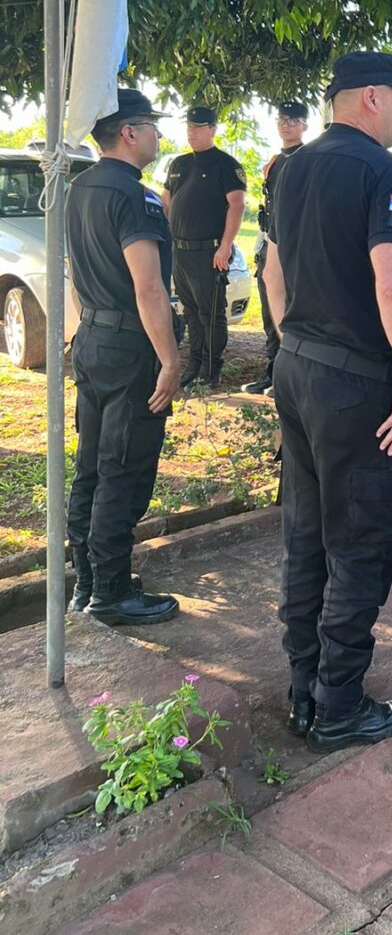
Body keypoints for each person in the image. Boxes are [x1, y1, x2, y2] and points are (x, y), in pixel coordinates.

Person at [262, 51, 392, 753]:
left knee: (307, 533)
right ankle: (339, 706)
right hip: (351, 381)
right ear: (368, 98)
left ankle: (305, 685)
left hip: (296, 366)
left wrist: (293, 339)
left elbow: (272, 269)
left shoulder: (291, 164)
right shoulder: (379, 170)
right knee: (358, 541)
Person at [65, 88, 180, 624]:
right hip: (130, 344)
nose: (159, 134)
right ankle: (109, 592)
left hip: (90, 338)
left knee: (91, 462)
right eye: (152, 126)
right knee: (124, 467)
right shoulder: (137, 196)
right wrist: (171, 360)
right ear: (129, 133)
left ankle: (88, 577)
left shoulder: (78, 187)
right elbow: (149, 287)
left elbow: (74, 273)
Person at [162, 107, 246, 390]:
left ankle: (212, 369)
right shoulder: (178, 164)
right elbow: (166, 201)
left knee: (211, 314)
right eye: (189, 127)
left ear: (212, 129)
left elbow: (237, 206)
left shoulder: (225, 164)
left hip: (208, 252)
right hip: (180, 251)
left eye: (198, 127)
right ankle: (194, 363)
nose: (192, 132)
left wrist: (225, 246)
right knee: (191, 312)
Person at [243, 101, 308, 397]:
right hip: (269, 242)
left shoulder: (308, 159)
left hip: (294, 248)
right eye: (282, 119)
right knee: (270, 313)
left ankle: (289, 375)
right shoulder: (275, 162)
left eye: (293, 120)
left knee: (290, 311)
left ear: (304, 125)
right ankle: (272, 371)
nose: (286, 125)